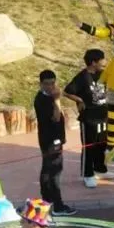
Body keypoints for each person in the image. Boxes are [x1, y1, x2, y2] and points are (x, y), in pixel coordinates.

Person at [62, 50, 114, 187]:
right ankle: (88, 175)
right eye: (102, 59)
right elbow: (66, 92)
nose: (105, 62)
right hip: (89, 118)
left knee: (102, 144)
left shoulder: (102, 74)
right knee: (89, 147)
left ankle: (100, 169)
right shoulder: (82, 77)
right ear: (93, 62)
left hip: (103, 116)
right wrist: (79, 100)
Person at [34, 70, 76, 217]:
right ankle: (58, 205)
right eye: (47, 84)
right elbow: (56, 117)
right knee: (54, 172)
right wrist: (57, 100)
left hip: (51, 139)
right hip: (51, 141)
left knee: (47, 170)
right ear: (41, 84)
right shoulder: (42, 100)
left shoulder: (48, 97)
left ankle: (47, 200)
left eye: (52, 83)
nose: (50, 87)